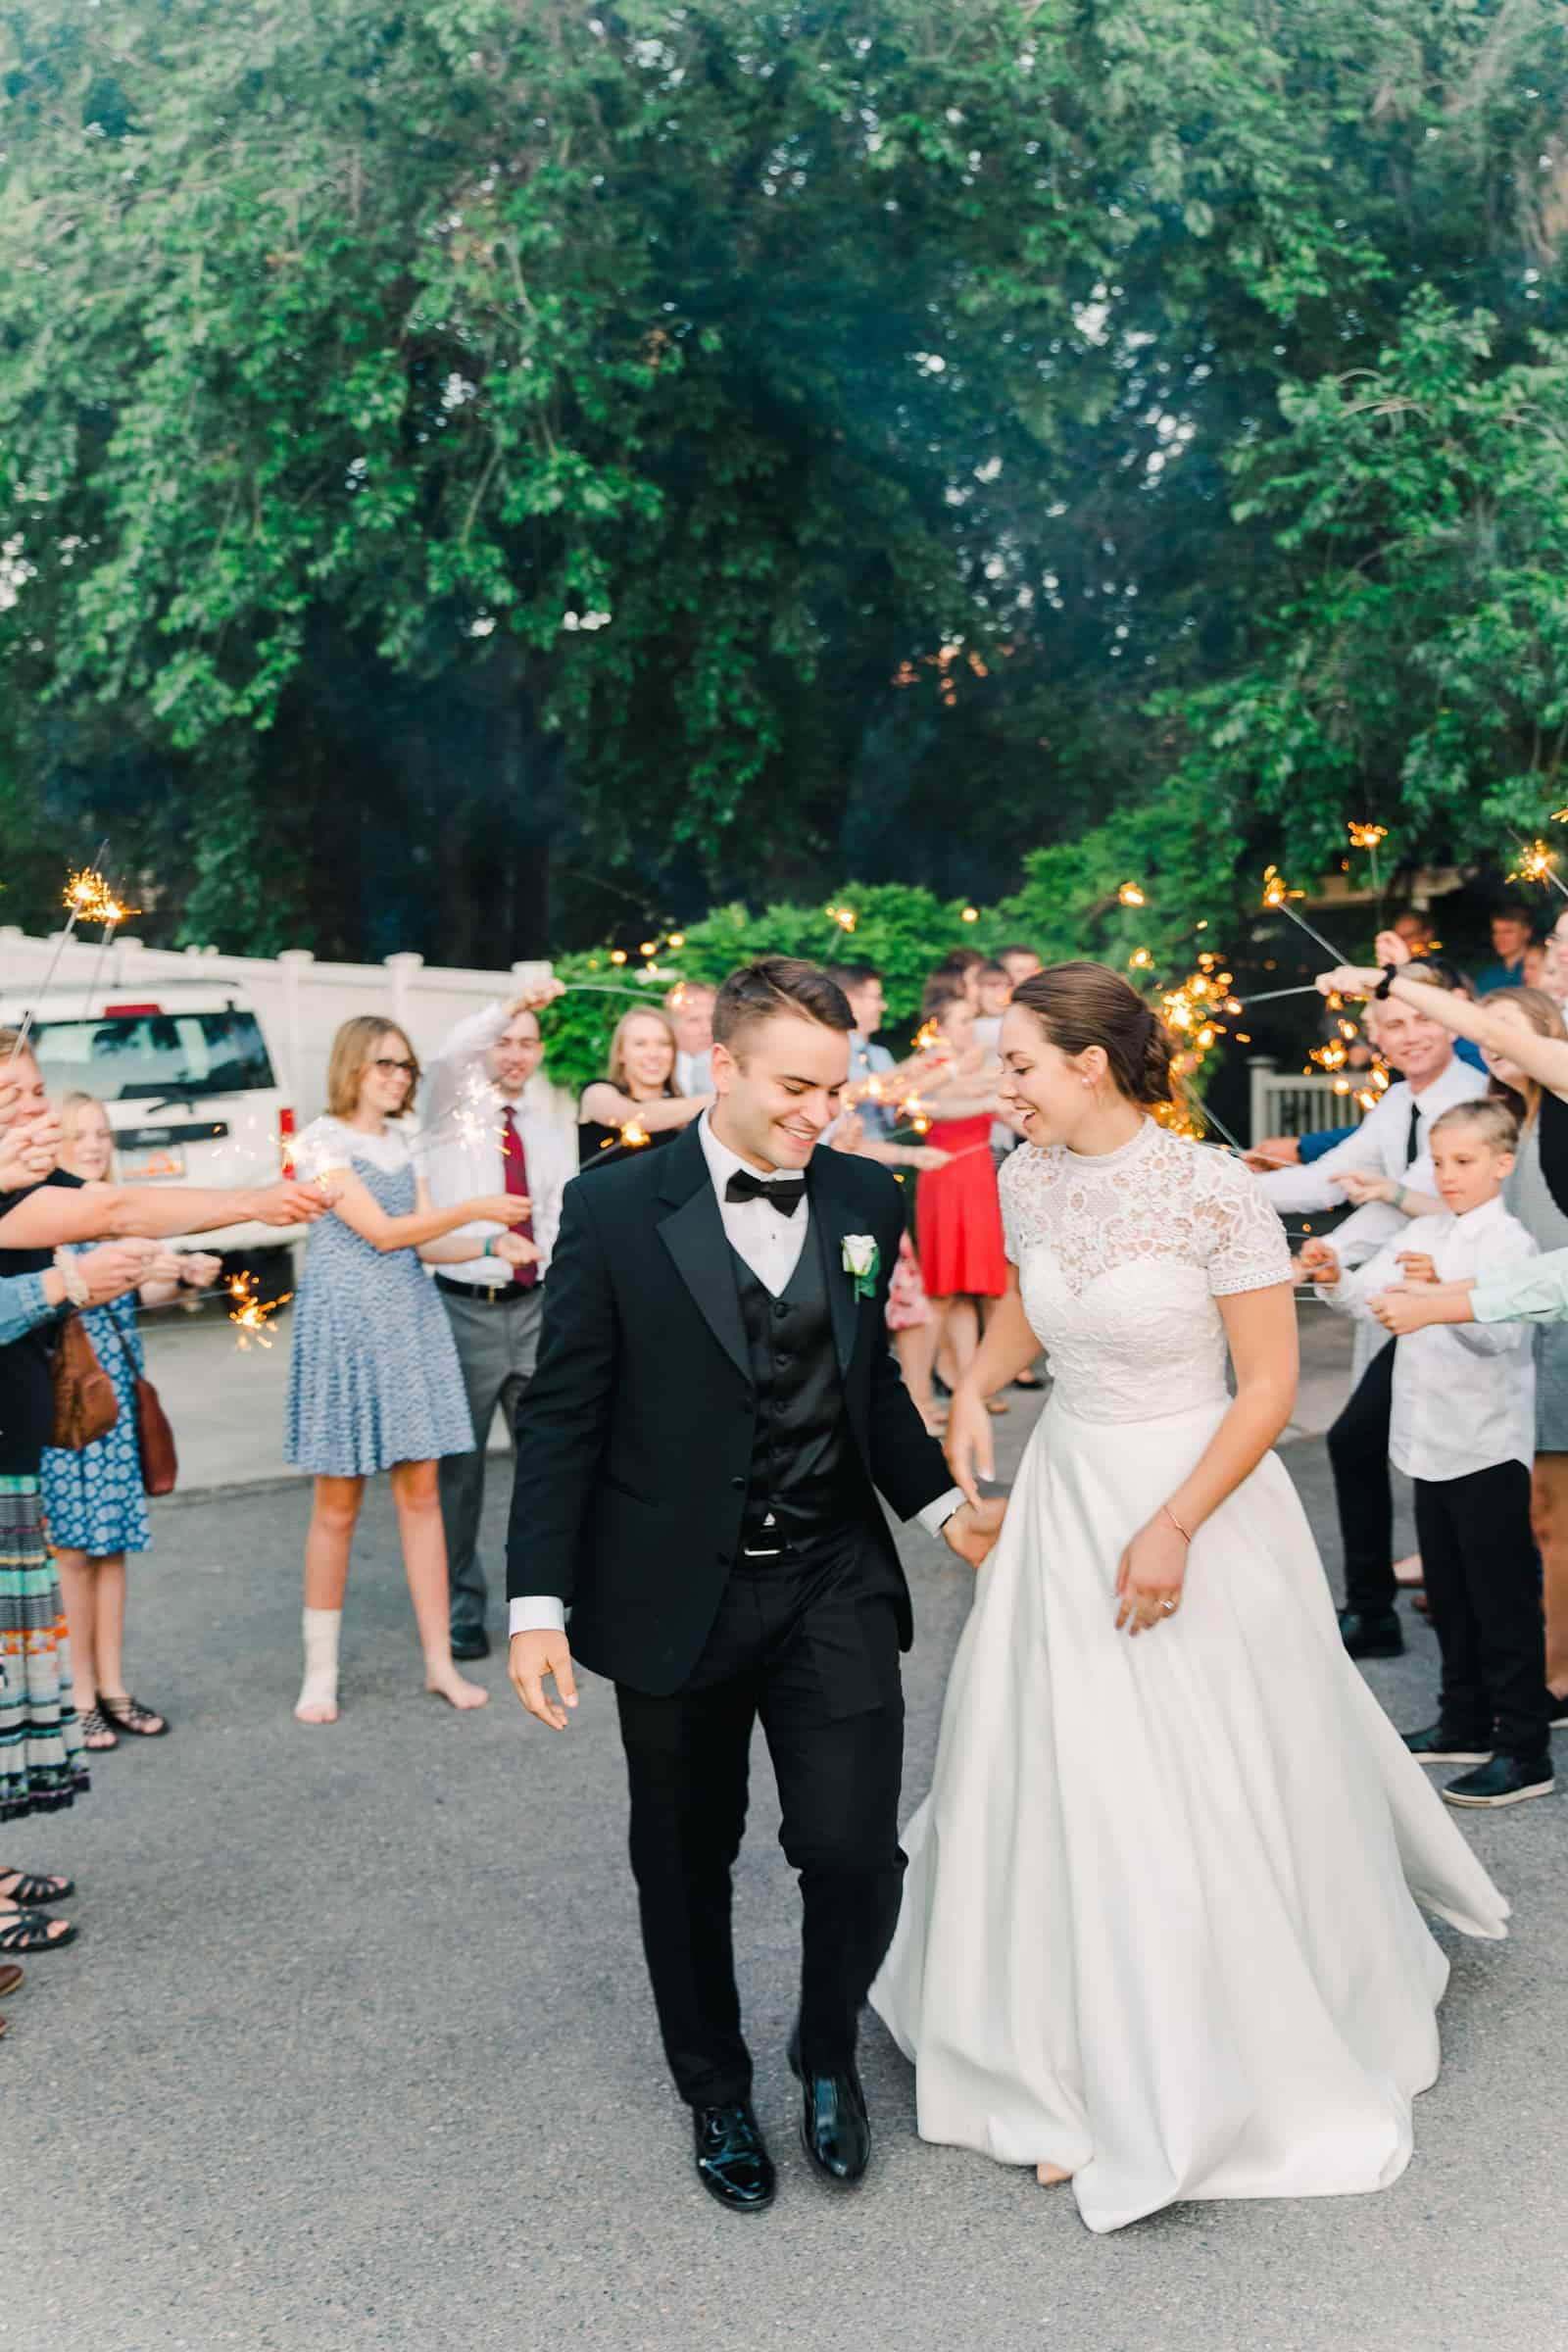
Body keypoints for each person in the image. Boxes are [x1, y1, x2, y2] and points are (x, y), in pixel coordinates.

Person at [870, 961, 1508, 2235]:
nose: (1006, 1087)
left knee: (1202, 1773)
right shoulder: (1025, 1175)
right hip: (1068, 1501)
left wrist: (1170, 1527)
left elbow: (1270, 1388)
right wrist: (973, 1394)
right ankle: (1061, 2049)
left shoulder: (1210, 1188)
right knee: (1068, 1771)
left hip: (1196, 1499)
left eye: (1023, 1064)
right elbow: (1026, 1317)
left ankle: (1196, 2049)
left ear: (1091, 1062)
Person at [504, 956, 1004, 2214]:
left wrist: (945, 1510)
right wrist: (534, 1607)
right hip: (676, 1595)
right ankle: (713, 2089)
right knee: (683, 1857)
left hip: (831, 1576)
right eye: (794, 1086)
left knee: (851, 1855)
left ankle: (823, 2051)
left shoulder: (862, 1196)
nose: (815, 1113)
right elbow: (562, 1416)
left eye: (833, 1090)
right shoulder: (613, 1208)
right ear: (719, 1063)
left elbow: (868, 1385)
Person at [0, 1040, 324, 1958]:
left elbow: (121, 1201)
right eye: (11, 1098)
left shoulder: (29, 1184)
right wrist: (65, 1282)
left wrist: (245, 1208)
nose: (35, 1112)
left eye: (35, 1094)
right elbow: (106, 1212)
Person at [1320, 932, 1568, 1714]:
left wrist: (1387, 978)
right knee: (1537, 1516)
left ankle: (1541, 1689)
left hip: (1538, 1310)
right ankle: (1506, 1692)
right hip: (1535, 1313)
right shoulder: (1510, 1120)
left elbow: (1492, 1030)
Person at [284, 1016, 527, 1725]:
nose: (398, 1077)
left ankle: (439, 1665)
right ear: (352, 1064)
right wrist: (477, 1206)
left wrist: (487, 1240)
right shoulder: (320, 1142)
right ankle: (320, 1673)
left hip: (410, 1323)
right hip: (347, 1332)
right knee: (337, 1506)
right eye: (385, 1064)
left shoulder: (401, 1142)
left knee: (422, 1499)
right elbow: (383, 1232)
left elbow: (424, 1243)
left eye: (406, 1067)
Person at [1309, 1101, 1549, 1805]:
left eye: (1464, 1162)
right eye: (1440, 1162)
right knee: (1448, 1592)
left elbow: (1500, 1337)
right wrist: (1334, 1278)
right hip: (1429, 1443)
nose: (1448, 1176)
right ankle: (1463, 1720)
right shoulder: (1427, 1227)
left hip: (1486, 1446)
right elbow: (1366, 1299)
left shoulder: (1511, 1245)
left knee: (1501, 1600)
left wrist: (1437, 1293)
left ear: (1502, 1164)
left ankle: (1524, 1748)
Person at [1252, 978, 1488, 1657]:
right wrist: (1226, 1183)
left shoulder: (1470, 1095)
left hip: (1462, 1294)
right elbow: (1329, 1178)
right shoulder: (1395, 1100)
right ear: (1374, 1039)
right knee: (1383, 1448)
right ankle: (1385, 1609)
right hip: (1404, 1295)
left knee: (1439, 1460)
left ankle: (1421, 1613)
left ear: (1450, 1023)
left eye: (1422, 1018)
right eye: (1393, 1024)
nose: (1410, 1034)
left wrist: (1337, 1260)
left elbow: (1408, 1203)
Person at [41, 1092, 223, 1749]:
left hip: (116, 1401)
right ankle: (77, 1693)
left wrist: (185, 1279)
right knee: (74, 1554)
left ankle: (114, 1687)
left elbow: (148, 1292)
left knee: (112, 1546)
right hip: (66, 1406)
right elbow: (63, 1298)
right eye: (79, 1133)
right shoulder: (45, 1218)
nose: (94, 1145)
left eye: (101, 1133)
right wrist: (140, 1271)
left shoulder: (121, 1214)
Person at [420, 994, 575, 1661]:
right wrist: (511, 1004)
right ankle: (462, 1609)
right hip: (463, 1310)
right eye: (504, 1040)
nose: (515, 1053)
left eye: (527, 1042)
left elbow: (560, 1219)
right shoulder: (448, 1115)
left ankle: (548, 1602)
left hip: (536, 1309)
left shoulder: (545, 1130)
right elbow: (445, 1053)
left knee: (551, 1465)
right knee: (460, 1475)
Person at [914, 976, 1007, 1401]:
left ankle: (970, 1385)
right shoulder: (930, 1063)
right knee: (942, 1290)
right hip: (946, 1175)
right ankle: (920, 1389)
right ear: (941, 1025)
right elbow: (929, 1105)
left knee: (969, 1290)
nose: (972, 1027)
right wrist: (988, 1099)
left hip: (976, 1175)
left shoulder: (977, 1063)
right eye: (964, 1020)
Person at [577, 1006, 708, 1166]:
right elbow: (634, 1117)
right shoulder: (597, 1093)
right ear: (620, 1053)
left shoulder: (686, 1118)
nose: (654, 1054)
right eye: (640, 1044)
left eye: (663, 1044)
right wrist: (717, 1098)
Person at [667, 979, 717, 1098]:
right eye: (694, 1020)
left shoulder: (736, 1066)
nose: (707, 1029)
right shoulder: (659, 1069)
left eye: (712, 1018)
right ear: (673, 1026)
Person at [1474, 902, 1534, 996]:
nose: (1500, 938)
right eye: (1496, 932)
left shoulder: (1536, 969)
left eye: (1508, 932)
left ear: (1526, 932)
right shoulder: (1488, 976)